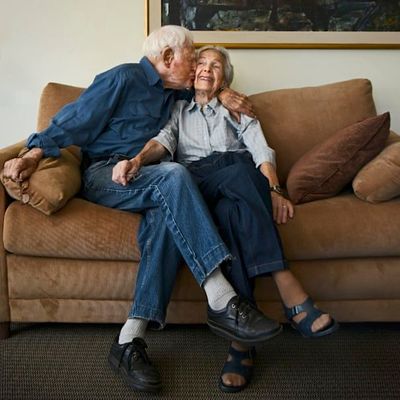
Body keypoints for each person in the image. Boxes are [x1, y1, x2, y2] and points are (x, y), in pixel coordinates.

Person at [2, 26, 285, 393]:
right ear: (169, 58)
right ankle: (222, 298)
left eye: (202, 59)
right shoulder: (124, 78)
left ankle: (128, 340)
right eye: (192, 55)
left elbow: (207, 86)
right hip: (106, 173)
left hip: (146, 179)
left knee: (166, 219)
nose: (197, 63)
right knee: (174, 176)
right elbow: (73, 119)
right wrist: (33, 153)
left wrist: (226, 92)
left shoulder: (176, 92)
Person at [126, 45, 339, 393]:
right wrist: (137, 160)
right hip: (195, 182)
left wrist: (274, 188)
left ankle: (241, 342)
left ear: (226, 78)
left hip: (237, 183)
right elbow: (161, 142)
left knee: (232, 209)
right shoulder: (177, 108)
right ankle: (287, 285)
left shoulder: (237, 108)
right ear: (192, 72)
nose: (207, 70)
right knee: (238, 175)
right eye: (202, 63)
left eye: (217, 66)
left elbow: (260, 149)